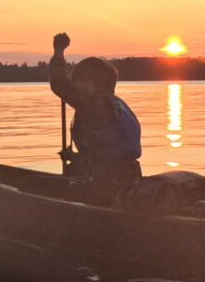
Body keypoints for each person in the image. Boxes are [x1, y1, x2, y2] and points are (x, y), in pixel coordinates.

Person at [49, 32, 142, 198]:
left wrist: (58, 51)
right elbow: (107, 153)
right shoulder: (118, 105)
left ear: (93, 82)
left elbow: (59, 84)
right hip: (129, 180)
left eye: (79, 80)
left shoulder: (94, 103)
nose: (76, 85)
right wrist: (75, 158)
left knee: (30, 183)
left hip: (106, 186)